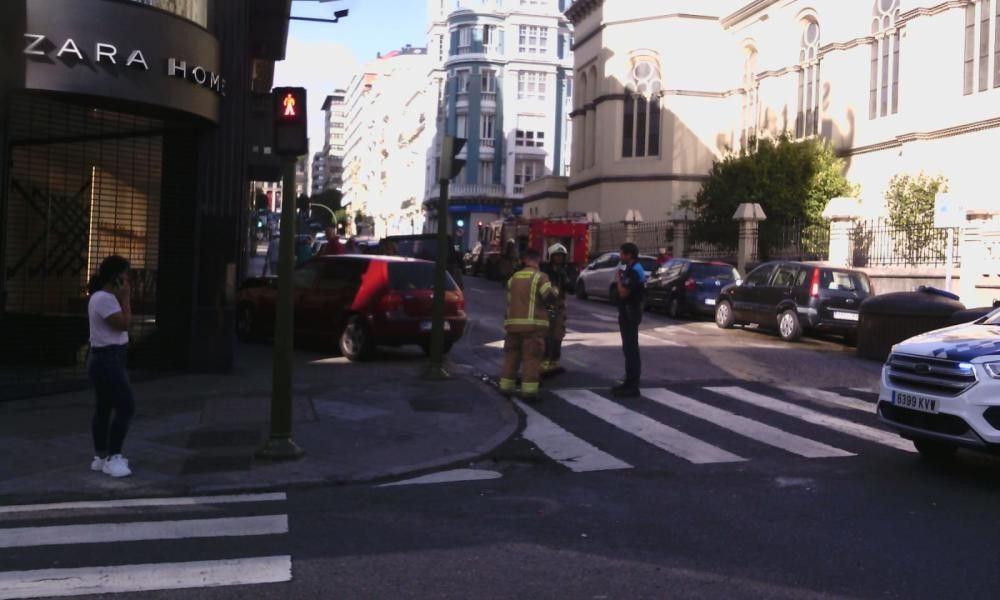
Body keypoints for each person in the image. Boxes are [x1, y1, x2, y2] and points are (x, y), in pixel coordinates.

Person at [86, 255, 136, 478]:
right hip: (109, 359)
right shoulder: (105, 299)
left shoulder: (100, 297)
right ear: (115, 277)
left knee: (104, 407)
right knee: (126, 406)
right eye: (126, 274)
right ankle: (114, 457)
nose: (128, 279)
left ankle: (101, 456)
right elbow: (123, 324)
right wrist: (125, 299)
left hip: (106, 359)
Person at [500, 249, 558, 402]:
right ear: (537, 260)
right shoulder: (540, 277)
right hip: (532, 327)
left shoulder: (514, 278)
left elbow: (510, 301)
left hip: (512, 326)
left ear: (524, 260)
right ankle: (529, 392)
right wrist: (555, 292)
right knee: (531, 359)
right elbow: (549, 297)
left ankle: (506, 387)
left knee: (511, 357)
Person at [613, 242, 647, 397]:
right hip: (629, 312)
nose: (620, 257)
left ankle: (633, 385)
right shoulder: (632, 268)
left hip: (630, 314)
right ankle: (629, 381)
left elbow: (623, 293)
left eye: (622, 254)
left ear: (629, 255)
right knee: (629, 349)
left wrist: (618, 280)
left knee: (631, 349)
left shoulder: (634, 271)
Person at [540, 243, 572, 377]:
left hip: (559, 308)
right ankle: (543, 362)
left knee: (558, 335)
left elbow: (572, 289)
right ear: (551, 257)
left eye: (561, 256)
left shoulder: (564, 272)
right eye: (556, 256)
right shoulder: (544, 271)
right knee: (546, 335)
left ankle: (554, 361)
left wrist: (567, 279)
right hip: (546, 307)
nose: (559, 259)